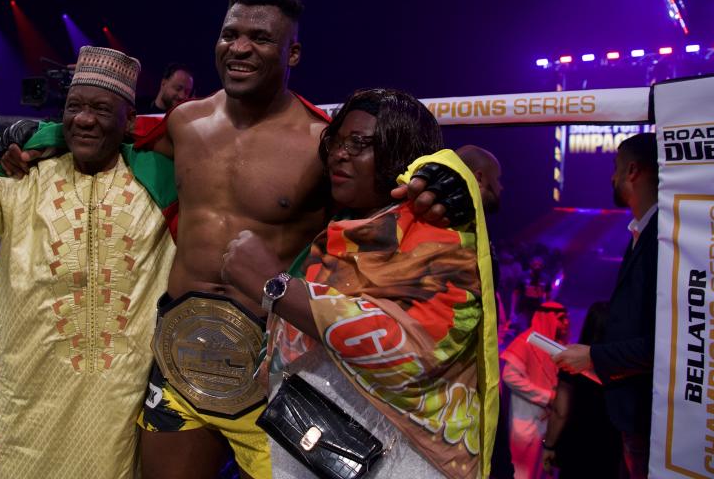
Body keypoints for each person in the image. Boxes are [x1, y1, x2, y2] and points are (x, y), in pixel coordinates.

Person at [0, 0, 473, 479]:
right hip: (178, 359)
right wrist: (37, 135)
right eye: (230, 34)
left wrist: (451, 175)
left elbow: (396, 186)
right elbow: (110, 135)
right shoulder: (185, 121)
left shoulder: (322, 142)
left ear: (293, 53)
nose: (239, 47)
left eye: (260, 38)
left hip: (270, 373)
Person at [0, 46, 178, 479]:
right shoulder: (22, 177)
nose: (83, 119)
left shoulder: (160, 187)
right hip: (30, 405)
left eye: (101, 109)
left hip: (119, 409)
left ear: (128, 120)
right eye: (74, 107)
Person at [221, 88, 499, 478]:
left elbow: (413, 353)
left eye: (360, 143)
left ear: (402, 152)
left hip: (409, 461)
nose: (340, 153)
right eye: (337, 141)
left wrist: (277, 286)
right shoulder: (343, 232)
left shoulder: (441, 232)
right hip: (317, 447)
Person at [554, 132, 658, 478]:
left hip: (648, 413)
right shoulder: (640, 233)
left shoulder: (662, 238)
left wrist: (593, 356)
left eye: (615, 167)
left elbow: (663, 341)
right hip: (633, 412)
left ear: (632, 171)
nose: (611, 177)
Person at [457, 144, 514, 479]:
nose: (502, 187)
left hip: (480, 375)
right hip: (463, 384)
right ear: (479, 178)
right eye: (498, 179)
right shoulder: (452, 227)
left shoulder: (476, 227)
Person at [541, 302, 622, 478]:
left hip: (576, 443)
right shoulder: (620, 365)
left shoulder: (572, 361)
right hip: (611, 445)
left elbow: (561, 411)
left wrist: (549, 445)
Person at [501, 302, 569, 479]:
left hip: (546, 424)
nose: (566, 323)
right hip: (526, 423)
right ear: (548, 318)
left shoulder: (553, 346)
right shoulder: (525, 342)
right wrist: (547, 397)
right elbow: (509, 376)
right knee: (522, 473)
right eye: (561, 319)